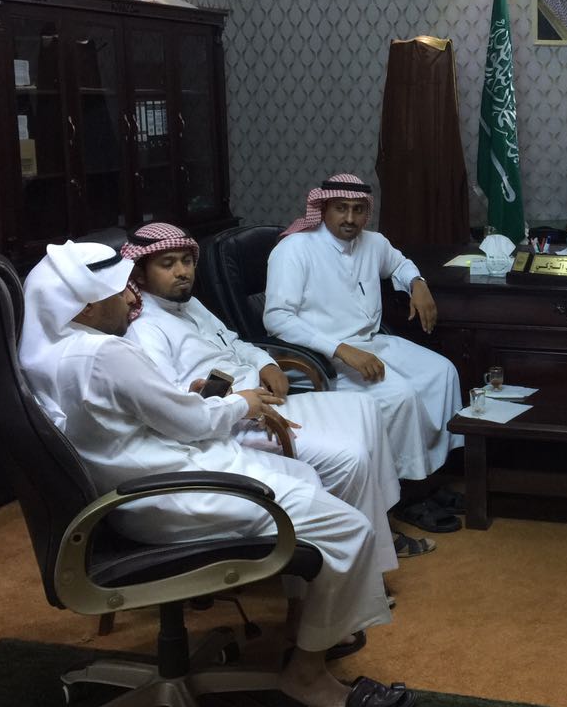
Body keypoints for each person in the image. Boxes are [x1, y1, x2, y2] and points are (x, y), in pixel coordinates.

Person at [19, 240, 415, 707]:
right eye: (119, 292)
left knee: (307, 474)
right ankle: (306, 676)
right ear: (84, 306)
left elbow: (144, 412)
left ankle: (303, 620)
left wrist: (201, 399)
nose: (130, 299)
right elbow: (189, 422)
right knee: (349, 529)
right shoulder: (104, 355)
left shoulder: (48, 353)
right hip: (170, 493)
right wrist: (242, 404)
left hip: (135, 490)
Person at [121, 222, 428, 563]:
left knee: (365, 408)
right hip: (235, 424)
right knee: (349, 456)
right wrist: (234, 402)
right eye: (167, 264)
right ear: (141, 274)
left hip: (262, 398)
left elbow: (233, 341)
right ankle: (359, 552)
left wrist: (266, 363)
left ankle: (379, 524)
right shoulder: (146, 330)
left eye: (186, 261)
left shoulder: (188, 304)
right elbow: (171, 406)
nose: (182, 272)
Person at [265, 174, 464, 533]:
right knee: (401, 395)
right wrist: (341, 350)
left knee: (442, 373)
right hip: (322, 356)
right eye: (341, 208)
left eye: (358, 210)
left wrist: (417, 284)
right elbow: (277, 318)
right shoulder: (294, 250)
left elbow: (400, 263)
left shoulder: (374, 243)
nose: (350, 218)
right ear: (323, 208)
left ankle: (430, 478)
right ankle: (406, 497)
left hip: (371, 342)